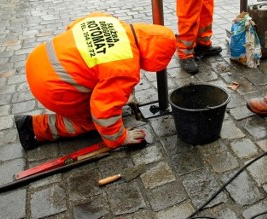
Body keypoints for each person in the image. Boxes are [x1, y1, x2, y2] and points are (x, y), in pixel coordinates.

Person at [14, 11, 177, 150]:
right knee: (93, 121)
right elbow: (103, 111)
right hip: (51, 85)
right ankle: (33, 127)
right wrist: (120, 138)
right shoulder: (125, 66)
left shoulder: (109, 20)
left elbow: (72, 29)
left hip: (38, 59)